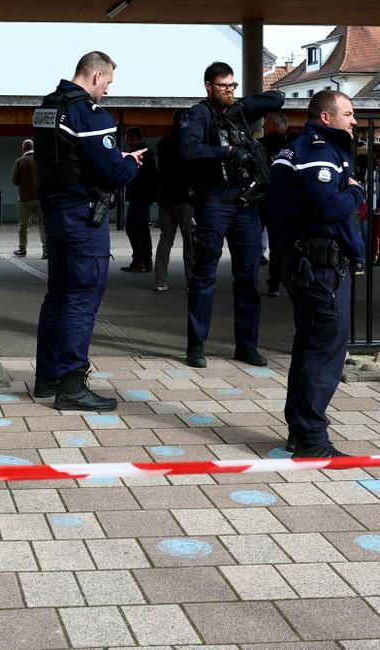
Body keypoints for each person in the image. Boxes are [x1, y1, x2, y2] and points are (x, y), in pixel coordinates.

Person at [32, 51, 144, 411]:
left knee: (58, 295)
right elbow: (112, 173)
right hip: (83, 217)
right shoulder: (88, 114)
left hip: (55, 212)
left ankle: (47, 377)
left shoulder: (47, 107)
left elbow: (69, 159)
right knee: (82, 299)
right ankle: (72, 385)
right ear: (96, 77)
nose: (107, 91)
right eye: (108, 83)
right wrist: (130, 163)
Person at [269, 90, 365, 458]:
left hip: (307, 263)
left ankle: (300, 430)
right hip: (320, 266)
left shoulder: (300, 148)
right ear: (326, 118)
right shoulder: (318, 151)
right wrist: (356, 193)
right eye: (349, 113)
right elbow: (327, 206)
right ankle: (311, 439)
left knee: (311, 345)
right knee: (324, 349)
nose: (354, 120)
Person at [181, 61, 284, 368]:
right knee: (204, 277)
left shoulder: (238, 111)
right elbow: (189, 150)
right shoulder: (197, 114)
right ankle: (196, 346)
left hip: (246, 204)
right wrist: (225, 152)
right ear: (207, 87)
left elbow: (276, 99)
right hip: (214, 202)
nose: (227, 91)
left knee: (248, 278)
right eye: (222, 86)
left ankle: (247, 345)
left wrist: (238, 102)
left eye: (232, 85)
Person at [154, 110, 196, 291]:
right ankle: (191, 281)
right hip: (185, 199)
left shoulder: (163, 143)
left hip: (165, 198)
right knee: (190, 242)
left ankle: (160, 280)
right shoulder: (189, 143)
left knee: (165, 240)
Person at [259, 112, 289, 296]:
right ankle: (275, 283)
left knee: (252, 240)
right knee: (278, 245)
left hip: (260, 199)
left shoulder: (260, 146)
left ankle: (245, 277)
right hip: (283, 203)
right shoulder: (292, 148)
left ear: (271, 126)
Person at [121, 126, 158, 272]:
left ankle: (140, 260)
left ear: (135, 139)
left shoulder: (141, 154)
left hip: (140, 196)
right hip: (144, 196)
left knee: (132, 226)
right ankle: (146, 260)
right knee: (141, 227)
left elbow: (144, 176)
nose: (127, 141)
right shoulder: (146, 153)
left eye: (128, 138)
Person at [11, 139, 47, 258]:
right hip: (41, 197)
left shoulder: (20, 161)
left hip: (25, 198)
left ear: (23, 148)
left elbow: (15, 181)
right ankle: (46, 250)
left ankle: (22, 249)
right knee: (42, 225)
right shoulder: (41, 161)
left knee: (23, 225)